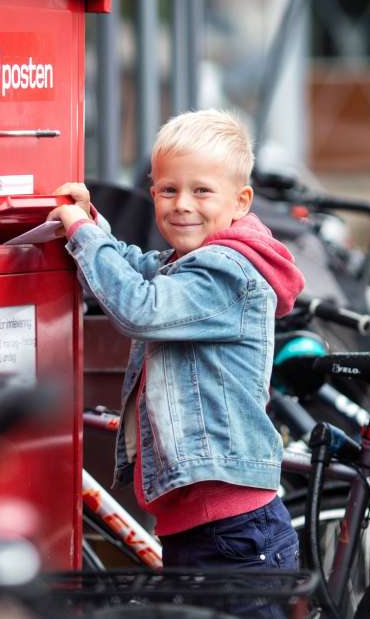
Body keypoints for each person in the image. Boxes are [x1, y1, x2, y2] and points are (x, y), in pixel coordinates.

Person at [49, 110, 305, 615]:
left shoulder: (226, 271)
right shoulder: (186, 263)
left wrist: (81, 233)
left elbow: (140, 306)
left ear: (241, 202)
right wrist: (96, 224)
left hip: (233, 535)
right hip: (204, 529)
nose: (182, 204)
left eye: (201, 191)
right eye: (167, 190)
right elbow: (138, 267)